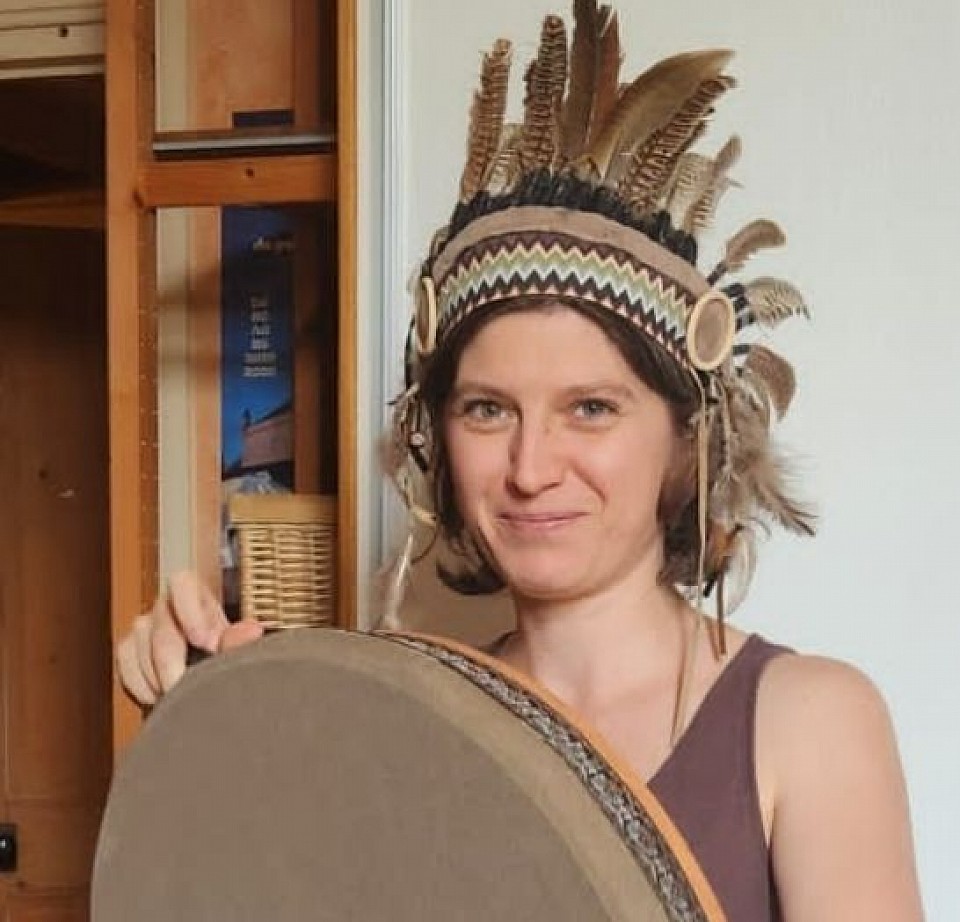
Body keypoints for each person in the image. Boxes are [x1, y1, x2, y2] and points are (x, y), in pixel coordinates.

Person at [116, 3, 925, 919]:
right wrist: (206, 720)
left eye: (591, 408)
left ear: (686, 435)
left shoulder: (806, 722)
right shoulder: (401, 724)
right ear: (437, 435)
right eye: (488, 409)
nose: (531, 467)